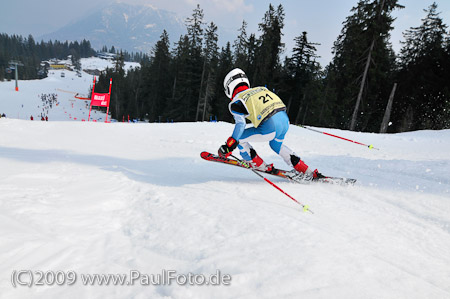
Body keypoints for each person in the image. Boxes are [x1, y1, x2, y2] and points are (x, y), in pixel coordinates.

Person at [218, 68, 324, 181]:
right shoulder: (260, 89)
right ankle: (306, 170)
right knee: (276, 145)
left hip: (270, 127)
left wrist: (229, 145)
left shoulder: (237, 101)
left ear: (229, 87)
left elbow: (240, 124)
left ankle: (255, 163)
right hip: (284, 121)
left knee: (240, 138)